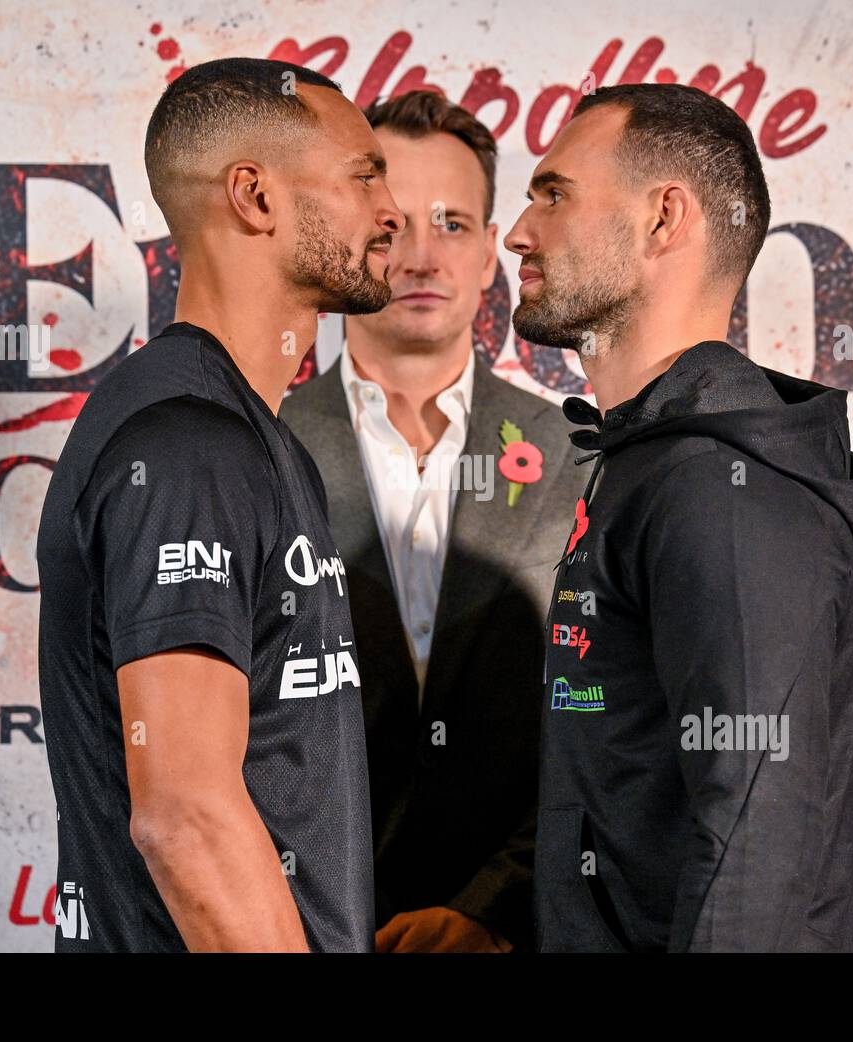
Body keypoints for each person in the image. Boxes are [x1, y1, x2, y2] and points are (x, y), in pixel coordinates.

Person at [503, 83, 853, 952]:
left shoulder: (720, 488)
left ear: (662, 220)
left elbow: (755, 839)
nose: (518, 231)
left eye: (554, 192)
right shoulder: (652, 462)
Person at [36, 57, 403, 952]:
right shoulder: (188, 446)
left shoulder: (246, 434)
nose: (392, 212)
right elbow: (187, 820)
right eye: (364, 176)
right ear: (255, 196)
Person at [281, 91, 583, 952]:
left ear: (493, 251)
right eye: (394, 222)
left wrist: (493, 907)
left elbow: (601, 716)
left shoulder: (577, 455)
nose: (420, 254)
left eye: (453, 223)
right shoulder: (260, 451)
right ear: (350, 236)